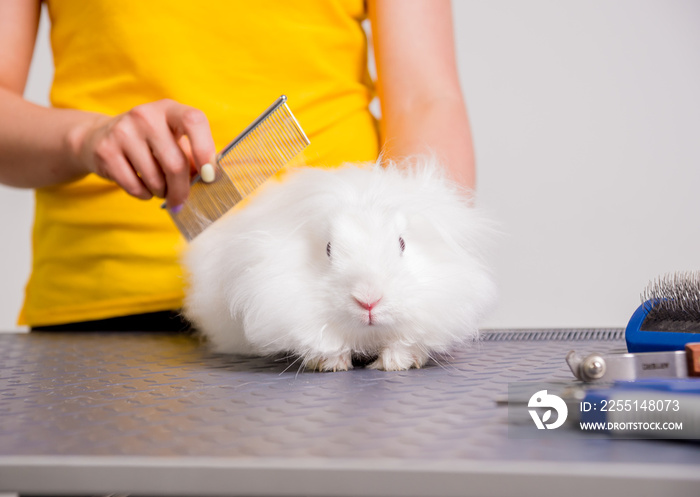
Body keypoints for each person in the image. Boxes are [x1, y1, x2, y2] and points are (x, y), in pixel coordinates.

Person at [0, 0, 476, 331]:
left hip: (330, 308)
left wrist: (415, 287)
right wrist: (85, 138)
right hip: (103, 308)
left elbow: (425, 100)